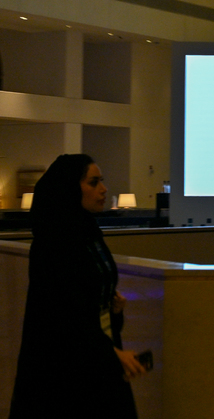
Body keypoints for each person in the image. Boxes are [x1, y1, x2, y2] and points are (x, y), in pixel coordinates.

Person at [10, 154, 145, 419]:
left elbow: (89, 302)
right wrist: (111, 353)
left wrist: (114, 308)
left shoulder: (88, 232)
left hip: (99, 359)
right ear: (70, 188)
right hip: (66, 370)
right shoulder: (53, 243)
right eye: (94, 183)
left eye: (101, 181)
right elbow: (63, 316)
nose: (104, 189)